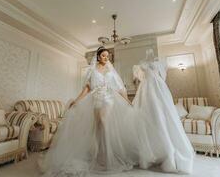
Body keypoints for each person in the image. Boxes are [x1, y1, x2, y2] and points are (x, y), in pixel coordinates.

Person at [39, 46, 141, 177]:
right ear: (98, 56)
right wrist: (76, 100)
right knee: (97, 127)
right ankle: (98, 154)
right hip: (96, 99)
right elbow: (87, 88)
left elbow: (120, 88)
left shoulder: (111, 70)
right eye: (104, 55)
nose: (106, 58)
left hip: (109, 99)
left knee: (104, 123)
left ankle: (107, 158)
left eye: (107, 56)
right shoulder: (92, 70)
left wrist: (127, 101)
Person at [132, 48, 194, 174]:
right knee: (145, 118)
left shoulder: (159, 62)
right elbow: (139, 78)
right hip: (145, 89)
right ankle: (148, 153)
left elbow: (163, 76)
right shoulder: (140, 63)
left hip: (158, 87)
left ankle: (168, 153)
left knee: (160, 115)